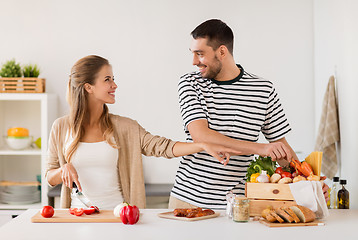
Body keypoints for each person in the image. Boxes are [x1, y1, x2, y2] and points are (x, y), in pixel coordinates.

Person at [169, 19, 328, 209]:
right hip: (188, 200)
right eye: (193, 54)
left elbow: (281, 147)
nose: (194, 61)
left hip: (237, 206)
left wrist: (308, 182)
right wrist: (260, 148)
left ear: (222, 51)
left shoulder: (263, 89)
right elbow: (200, 135)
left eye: (200, 54)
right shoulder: (190, 83)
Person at [45, 55, 239, 209]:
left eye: (113, 79)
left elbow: (162, 147)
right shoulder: (61, 127)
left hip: (119, 218)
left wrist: (201, 144)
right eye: (107, 80)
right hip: (78, 218)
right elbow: (49, 176)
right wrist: (63, 170)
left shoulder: (125, 127)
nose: (115, 85)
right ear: (88, 87)